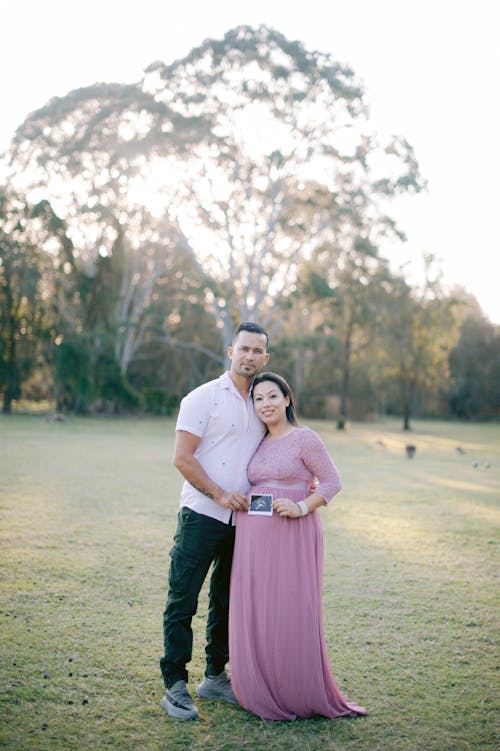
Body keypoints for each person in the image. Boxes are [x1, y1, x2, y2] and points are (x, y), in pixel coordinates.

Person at [229, 372, 366, 721]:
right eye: (258, 399)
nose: (265, 404)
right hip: (254, 537)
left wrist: (301, 506)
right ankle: (262, 685)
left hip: (293, 535)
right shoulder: (257, 441)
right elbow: (260, 486)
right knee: (260, 610)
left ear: (287, 399)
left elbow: (333, 482)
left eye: (272, 396)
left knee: (289, 608)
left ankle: (294, 688)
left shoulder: (304, 439)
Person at [160, 322, 270, 720]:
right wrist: (219, 493)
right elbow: (182, 458)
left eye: (258, 351)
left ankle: (214, 676)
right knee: (183, 597)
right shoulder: (202, 398)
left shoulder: (263, 402)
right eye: (245, 349)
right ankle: (174, 682)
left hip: (244, 523)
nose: (250, 357)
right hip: (201, 514)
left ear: (265, 358)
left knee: (227, 601)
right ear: (230, 351)